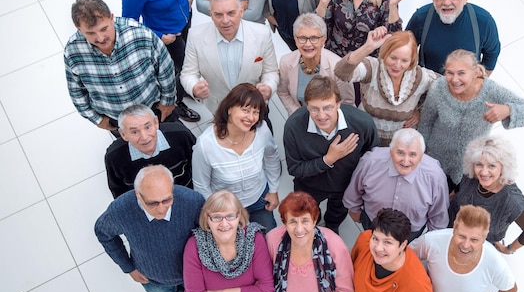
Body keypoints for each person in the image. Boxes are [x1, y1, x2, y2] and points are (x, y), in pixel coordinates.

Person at [418, 49, 524, 191]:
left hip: (469, 167)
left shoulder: (491, 91)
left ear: (476, 72)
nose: (454, 79)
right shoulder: (439, 88)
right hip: (435, 158)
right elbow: (426, 123)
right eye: (450, 73)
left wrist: (508, 110)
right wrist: (421, 154)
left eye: (461, 73)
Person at [94, 165, 204, 292]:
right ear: (138, 195)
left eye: (167, 200)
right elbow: (103, 232)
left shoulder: (193, 201)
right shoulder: (120, 210)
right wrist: (128, 267)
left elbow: (208, 232)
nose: (161, 209)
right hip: (152, 277)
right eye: (152, 203)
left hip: (194, 271)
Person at [122, 0, 200, 122]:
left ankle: (188, 85)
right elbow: (129, 24)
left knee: (189, 60)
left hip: (185, 16)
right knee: (182, 67)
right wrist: (159, 36)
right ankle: (176, 101)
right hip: (168, 35)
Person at [64, 0, 176, 131]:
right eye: (91, 33)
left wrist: (168, 101)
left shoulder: (139, 33)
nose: (100, 38)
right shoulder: (73, 51)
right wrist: (97, 119)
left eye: (104, 29)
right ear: (79, 29)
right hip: (116, 121)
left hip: (155, 109)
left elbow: (165, 67)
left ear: (111, 18)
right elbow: (76, 90)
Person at [283, 76, 379, 233]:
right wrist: (328, 159)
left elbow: (371, 159)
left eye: (327, 107)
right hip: (308, 186)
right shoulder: (293, 126)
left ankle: (332, 225)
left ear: (338, 104)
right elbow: (294, 169)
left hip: (345, 185)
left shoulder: (362, 123)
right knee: (307, 212)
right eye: (314, 109)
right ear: (306, 106)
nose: (321, 116)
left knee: (337, 212)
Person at [192, 84, 281, 231]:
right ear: (229, 109)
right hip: (226, 210)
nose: (251, 117)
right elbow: (201, 185)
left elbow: (272, 157)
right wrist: (218, 214)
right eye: (245, 110)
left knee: (269, 238)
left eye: (255, 112)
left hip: (259, 199)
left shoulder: (262, 130)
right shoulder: (205, 144)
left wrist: (273, 189)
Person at [180, 0, 278, 117]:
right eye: (218, 15)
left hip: (254, 108)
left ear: (241, 11)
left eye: (231, 13)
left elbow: (270, 71)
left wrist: (268, 87)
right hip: (219, 109)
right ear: (211, 14)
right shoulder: (195, 35)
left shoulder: (262, 34)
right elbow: (188, 73)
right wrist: (194, 88)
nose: (225, 21)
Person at [334, 27, 438, 145]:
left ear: (412, 61)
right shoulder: (372, 68)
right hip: (366, 141)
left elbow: (446, 87)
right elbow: (341, 72)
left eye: (404, 60)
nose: (397, 65)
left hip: (400, 147)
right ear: (385, 53)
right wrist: (369, 46)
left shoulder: (420, 76)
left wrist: (421, 111)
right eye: (393, 58)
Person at [343, 128, 449, 239]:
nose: (405, 161)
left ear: (422, 155)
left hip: (410, 234)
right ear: (390, 150)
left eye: (412, 155)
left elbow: (438, 216)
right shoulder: (370, 162)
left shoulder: (435, 176)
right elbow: (354, 191)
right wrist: (355, 211)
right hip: (372, 224)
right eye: (400, 153)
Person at [450, 135, 524, 253]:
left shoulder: (512, 200)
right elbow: (456, 191)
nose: (483, 172)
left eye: (491, 166)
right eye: (479, 164)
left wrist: (509, 249)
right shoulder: (471, 175)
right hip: (451, 228)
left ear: (503, 167)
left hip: (480, 246)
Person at [406, 0, 501, 75]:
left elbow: (492, 54)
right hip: (429, 81)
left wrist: (479, 82)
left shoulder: (483, 21)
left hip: (465, 84)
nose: (446, 2)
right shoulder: (421, 18)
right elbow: (403, 46)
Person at [105, 104, 196, 198]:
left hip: (186, 192)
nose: (144, 137)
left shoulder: (181, 135)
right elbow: (119, 192)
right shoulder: (114, 157)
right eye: (135, 132)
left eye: (148, 127)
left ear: (156, 123)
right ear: (123, 134)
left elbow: (200, 166)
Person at [277, 12, 354, 115]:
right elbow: (283, 92)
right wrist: (298, 114)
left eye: (314, 38)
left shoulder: (337, 66)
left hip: (330, 121)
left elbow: (347, 103)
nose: (308, 44)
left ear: (323, 39)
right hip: (301, 121)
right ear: (295, 39)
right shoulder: (286, 62)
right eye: (302, 38)